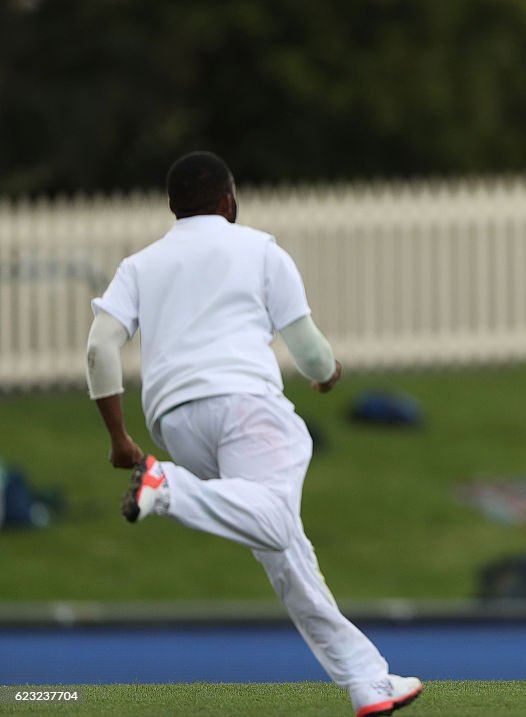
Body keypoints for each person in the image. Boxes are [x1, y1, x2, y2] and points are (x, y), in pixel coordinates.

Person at [86, 151, 422, 716]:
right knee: (282, 487)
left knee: (282, 545)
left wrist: (120, 439)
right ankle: (167, 489)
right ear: (227, 199)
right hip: (243, 405)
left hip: (173, 421)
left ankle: (366, 680)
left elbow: (99, 347)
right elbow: (310, 350)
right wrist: (326, 374)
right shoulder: (260, 249)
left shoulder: (139, 265)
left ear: (173, 206)